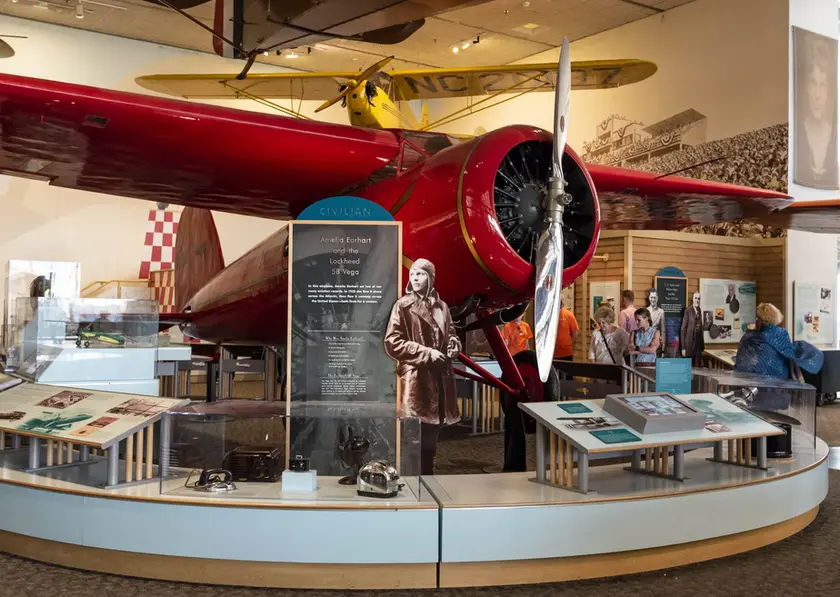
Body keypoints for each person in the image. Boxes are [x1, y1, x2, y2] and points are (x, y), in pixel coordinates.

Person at [384, 258, 461, 476]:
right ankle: (410, 484)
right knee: (411, 439)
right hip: (416, 381)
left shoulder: (443, 307)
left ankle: (428, 482)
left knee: (431, 442)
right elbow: (392, 342)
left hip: (440, 380)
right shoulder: (403, 305)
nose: (415, 278)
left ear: (430, 277)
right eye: (413, 274)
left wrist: (454, 344)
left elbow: (451, 333)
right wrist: (426, 352)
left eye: (420, 274)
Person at [794, 29, 839, 190]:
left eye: (823, 85)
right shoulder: (798, 134)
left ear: (829, 92)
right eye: (813, 84)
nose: (818, 95)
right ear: (806, 89)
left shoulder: (834, 135)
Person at [734, 303, 823, 380]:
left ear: (761, 320)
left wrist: (749, 331)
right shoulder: (782, 333)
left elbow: (744, 360)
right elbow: (788, 353)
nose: (756, 320)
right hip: (779, 379)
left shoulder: (750, 337)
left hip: (752, 381)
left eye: (757, 318)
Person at [681, 291, 705, 364]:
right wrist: (683, 348)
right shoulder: (688, 310)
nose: (697, 300)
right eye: (696, 298)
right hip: (689, 346)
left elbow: (701, 329)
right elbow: (683, 329)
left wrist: (702, 346)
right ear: (693, 299)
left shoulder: (699, 310)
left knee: (697, 368)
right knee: (689, 368)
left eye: (699, 298)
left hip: (698, 347)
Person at [553, 296, 580, 361]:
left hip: (566, 352)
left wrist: (569, 343)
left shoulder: (569, 314)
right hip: (552, 352)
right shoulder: (550, 315)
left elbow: (575, 333)